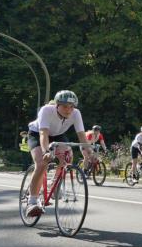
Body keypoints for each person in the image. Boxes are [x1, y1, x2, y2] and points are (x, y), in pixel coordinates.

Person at [23, 90, 96, 218]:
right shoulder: (46, 110)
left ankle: (55, 182)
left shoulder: (76, 113)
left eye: (71, 107)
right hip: (37, 133)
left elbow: (82, 136)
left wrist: (89, 152)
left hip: (58, 135)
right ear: (57, 105)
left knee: (68, 155)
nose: (68, 110)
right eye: (65, 106)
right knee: (41, 163)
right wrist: (46, 151)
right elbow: (43, 134)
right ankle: (32, 201)